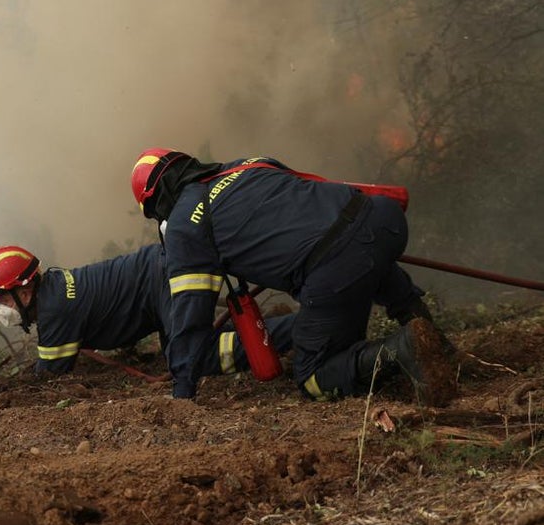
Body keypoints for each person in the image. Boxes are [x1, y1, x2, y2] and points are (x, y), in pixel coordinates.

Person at [129, 149, 457, 404]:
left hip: (337, 268)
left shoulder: (185, 225)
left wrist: (183, 392)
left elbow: (190, 314)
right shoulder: (250, 164)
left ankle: (404, 348)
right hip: (384, 221)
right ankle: (431, 337)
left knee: (312, 378)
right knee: (360, 248)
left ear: (157, 202)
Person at [0, 243, 296, 381]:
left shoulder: (57, 311)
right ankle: (287, 325)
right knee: (181, 352)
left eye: (4, 301)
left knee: (194, 358)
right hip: (161, 273)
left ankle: (302, 327)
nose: (3, 309)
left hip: (164, 280)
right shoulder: (54, 287)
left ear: (26, 292)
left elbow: (48, 377)